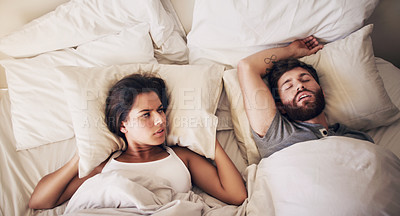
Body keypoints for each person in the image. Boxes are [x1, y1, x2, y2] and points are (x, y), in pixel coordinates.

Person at [29, 73, 247, 210]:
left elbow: (236, 195)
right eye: (146, 114)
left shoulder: (181, 157)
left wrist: (209, 140)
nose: (161, 119)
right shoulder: (105, 166)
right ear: (122, 124)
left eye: (161, 110)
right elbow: (39, 202)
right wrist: (81, 157)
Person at [237, 36, 374, 158]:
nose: (299, 86)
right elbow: (247, 67)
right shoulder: (277, 134)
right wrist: (291, 51)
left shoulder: (355, 138)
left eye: (305, 79)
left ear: (323, 93)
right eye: (288, 86)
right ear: (281, 106)